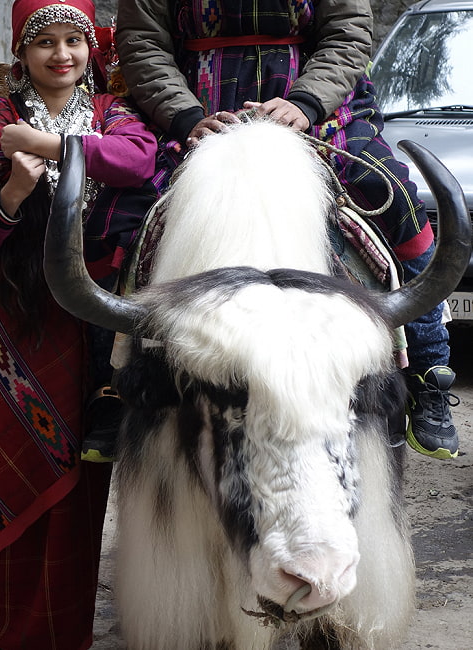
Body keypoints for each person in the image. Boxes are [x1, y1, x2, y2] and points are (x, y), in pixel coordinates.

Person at [116, 0, 460, 460]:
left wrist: (305, 102)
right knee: (122, 215)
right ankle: (108, 384)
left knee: (393, 194)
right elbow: (143, 43)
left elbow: (348, 31)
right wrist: (185, 117)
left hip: (313, 108)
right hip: (198, 112)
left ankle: (428, 369)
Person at [0, 0, 158, 646]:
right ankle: (13, 632)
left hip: (81, 331)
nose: (62, 56)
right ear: (20, 55)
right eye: (45, 44)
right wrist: (8, 197)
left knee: (78, 489)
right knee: (11, 481)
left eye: (74, 41)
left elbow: (139, 159)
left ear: (92, 48)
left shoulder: (113, 117)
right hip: (3, 339)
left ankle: (65, 633)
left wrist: (49, 146)